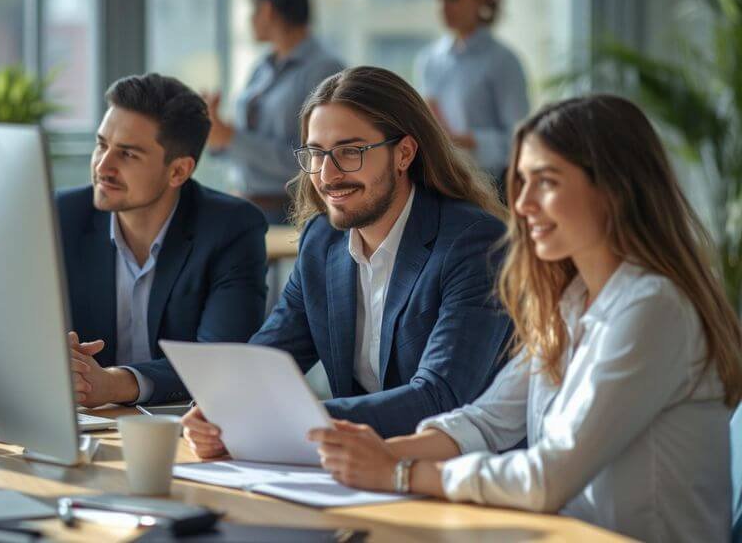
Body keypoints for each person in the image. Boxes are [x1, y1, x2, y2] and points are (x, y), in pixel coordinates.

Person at [308, 95, 742, 542]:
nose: (524, 204)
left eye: (547, 182)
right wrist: (368, 455)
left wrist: (400, 474)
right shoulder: (570, 302)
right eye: (523, 182)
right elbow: (486, 421)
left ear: (614, 190)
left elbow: (548, 477)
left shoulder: (654, 307)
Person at [181, 66, 512, 454]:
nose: (327, 174)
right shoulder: (322, 241)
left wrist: (287, 419)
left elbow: (440, 397)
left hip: (461, 478)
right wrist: (218, 410)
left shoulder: (474, 243)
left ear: (404, 153)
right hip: (356, 474)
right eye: (316, 153)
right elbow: (266, 362)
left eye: (349, 152)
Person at [58, 73, 268, 406]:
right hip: (84, 427)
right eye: (102, 145)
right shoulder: (61, 217)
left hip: (184, 430)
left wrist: (114, 384)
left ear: (178, 172)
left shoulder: (231, 229)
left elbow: (220, 362)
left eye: (128, 155)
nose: (103, 166)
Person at [205, 0, 344, 224]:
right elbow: (244, 141)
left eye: (251, 10)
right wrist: (217, 135)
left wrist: (232, 138)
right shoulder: (263, 67)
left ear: (267, 10)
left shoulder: (324, 70)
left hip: (292, 214)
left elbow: (314, 160)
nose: (249, 19)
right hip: (247, 205)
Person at [416, 0, 529, 187]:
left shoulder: (503, 61)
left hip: (493, 185)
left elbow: (520, 139)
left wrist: (468, 141)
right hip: (443, 181)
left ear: (480, 0)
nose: (443, 7)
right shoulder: (429, 60)